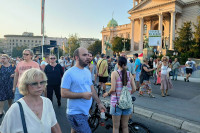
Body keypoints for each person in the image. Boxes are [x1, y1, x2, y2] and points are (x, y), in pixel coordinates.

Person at [0, 68, 62, 133]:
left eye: (42, 82)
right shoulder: (16, 108)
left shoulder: (47, 102)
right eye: (34, 83)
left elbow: (54, 125)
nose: (39, 86)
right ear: (25, 85)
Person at [61, 47, 106, 133]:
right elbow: (63, 93)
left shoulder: (87, 71)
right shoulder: (69, 73)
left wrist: (99, 103)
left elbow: (91, 88)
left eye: (88, 55)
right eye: (84, 55)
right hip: (75, 113)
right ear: (76, 57)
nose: (88, 57)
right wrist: (82, 95)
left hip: (85, 112)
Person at [103, 56, 136, 133]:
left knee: (116, 127)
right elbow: (134, 89)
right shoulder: (129, 74)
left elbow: (113, 89)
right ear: (126, 64)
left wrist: (107, 93)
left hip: (116, 103)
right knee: (125, 127)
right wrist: (127, 95)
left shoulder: (114, 73)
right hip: (127, 103)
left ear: (118, 64)